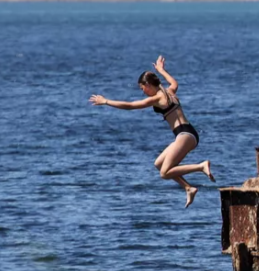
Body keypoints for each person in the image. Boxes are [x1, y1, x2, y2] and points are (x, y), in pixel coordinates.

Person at [90, 56, 214, 207]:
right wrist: (161, 70)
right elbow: (175, 82)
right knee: (158, 164)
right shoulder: (170, 92)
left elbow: (130, 105)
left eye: (143, 89)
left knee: (164, 173)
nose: (143, 93)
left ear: (148, 84)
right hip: (188, 134)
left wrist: (106, 101)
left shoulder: (157, 98)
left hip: (184, 135)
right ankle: (188, 188)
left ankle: (201, 166)